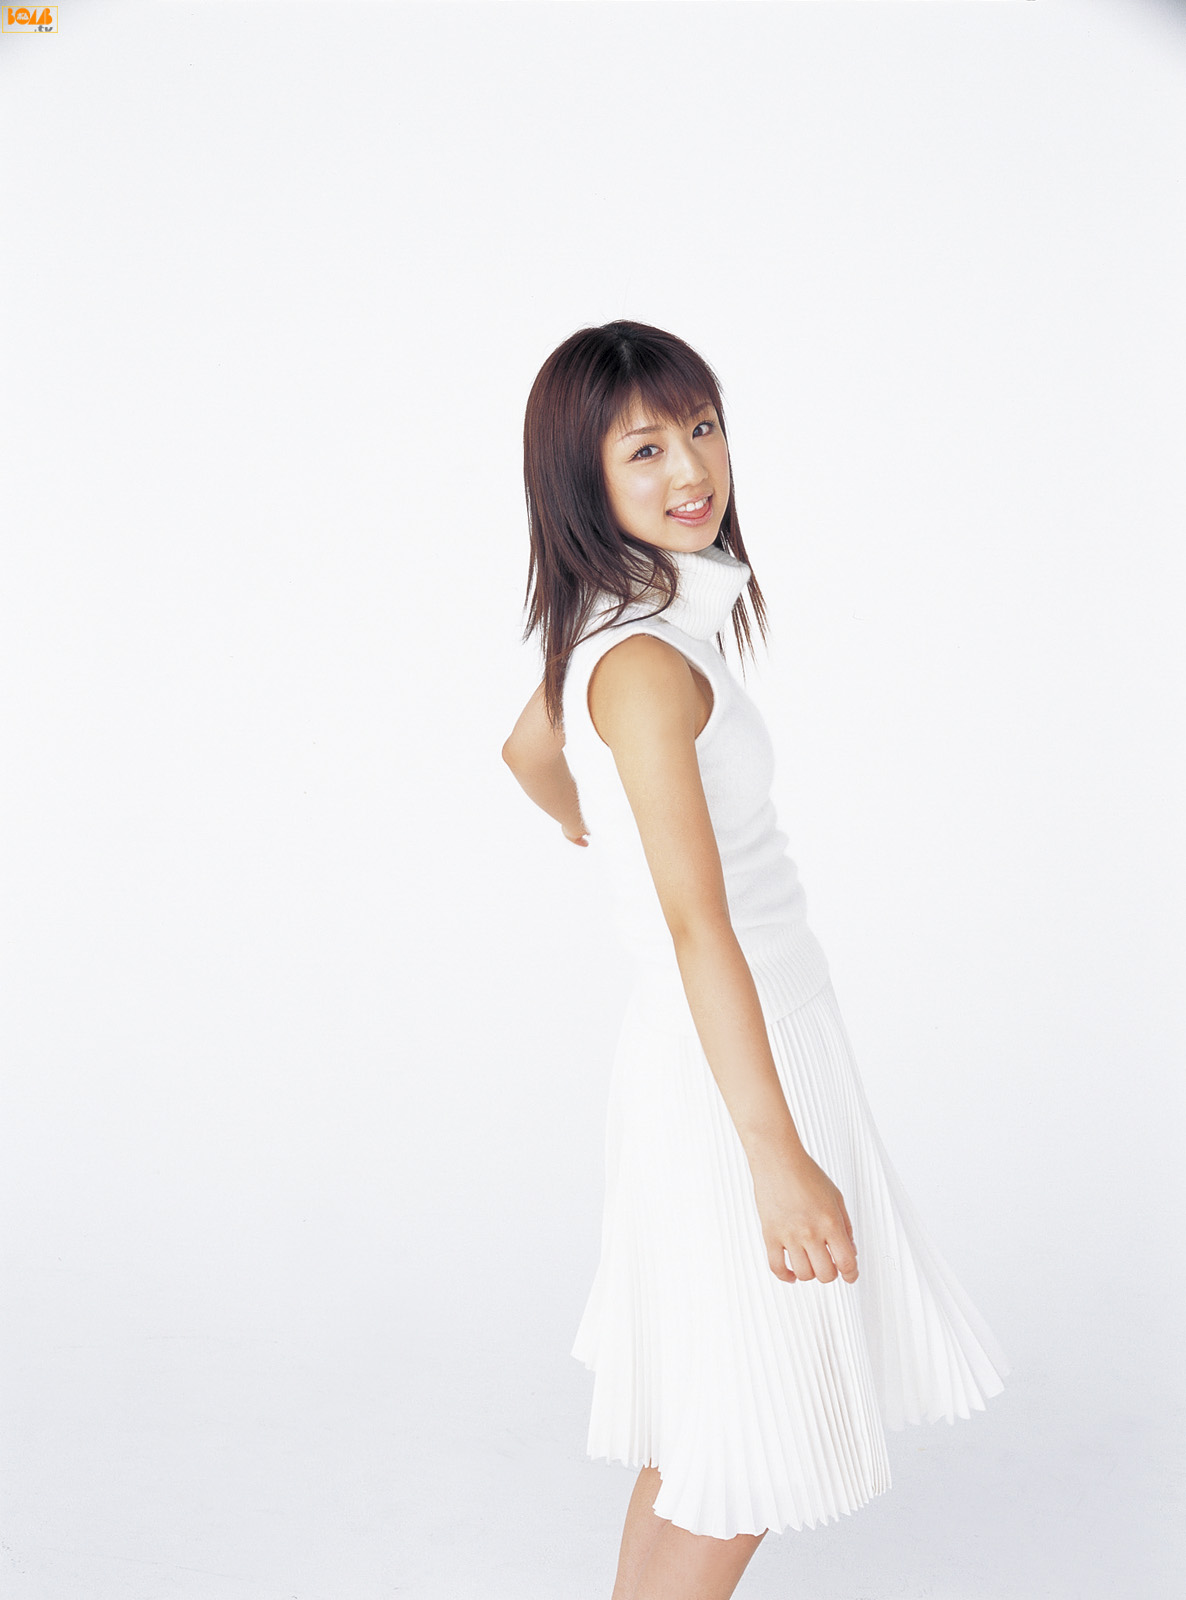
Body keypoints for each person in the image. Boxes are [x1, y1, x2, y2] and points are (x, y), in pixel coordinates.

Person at [501, 321, 1009, 1600]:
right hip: (734, 1058)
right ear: (579, 476)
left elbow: (527, 750)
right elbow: (696, 927)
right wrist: (775, 1159)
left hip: (739, 1037)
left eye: (702, 427)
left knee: (705, 1429)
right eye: (645, 448)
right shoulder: (641, 664)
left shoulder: (632, 627)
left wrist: (585, 816)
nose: (692, 467)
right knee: (741, 1447)